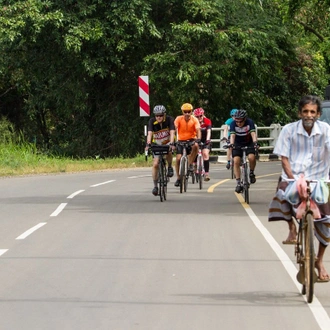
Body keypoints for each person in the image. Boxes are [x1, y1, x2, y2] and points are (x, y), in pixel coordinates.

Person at [268, 95, 330, 281]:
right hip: (294, 175)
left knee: (327, 218)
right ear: (299, 113)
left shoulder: (326, 130)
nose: (308, 115)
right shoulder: (289, 130)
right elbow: (284, 158)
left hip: (320, 178)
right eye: (305, 111)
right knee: (283, 193)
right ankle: (292, 228)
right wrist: (293, 179)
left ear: (318, 114)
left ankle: (319, 260)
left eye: (312, 112)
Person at [146, 105, 175, 196]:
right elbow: (150, 133)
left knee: (169, 151)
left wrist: (172, 143)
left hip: (167, 143)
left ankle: (169, 166)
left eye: (161, 115)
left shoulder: (169, 120)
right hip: (157, 144)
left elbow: (172, 132)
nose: (159, 117)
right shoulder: (151, 121)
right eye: (157, 115)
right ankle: (155, 186)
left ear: (164, 115)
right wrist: (148, 143)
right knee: (155, 164)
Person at [229, 109, 258, 193]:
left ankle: (251, 173)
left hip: (249, 142)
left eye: (240, 122)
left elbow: (253, 134)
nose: (238, 123)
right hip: (237, 143)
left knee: (252, 157)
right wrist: (231, 144)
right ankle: (238, 183)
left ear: (244, 119)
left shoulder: (250, 122)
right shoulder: (232, 124)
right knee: (236, 161)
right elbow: (232, 136)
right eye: (237, 121)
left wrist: (255, 143)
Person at [174, 103, 201, 187]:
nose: (187, 113)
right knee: (178, 159)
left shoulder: (194, 119)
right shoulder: (178, 119)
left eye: (189, 111)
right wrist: (174, 140)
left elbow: (198, 130)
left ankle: (190, 164)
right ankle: (178, 178)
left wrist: (198, 139)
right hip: (180, 140)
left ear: (191, 112)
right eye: (185, 112)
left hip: (191, 139)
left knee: (196, 146)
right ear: (182, 112)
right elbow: (174, 129)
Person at [193, 107, 212, 181]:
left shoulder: (207, 121)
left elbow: (209, 131)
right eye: (197, 117)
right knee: (194, 149)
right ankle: (194, 164)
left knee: (205, 154)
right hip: (196, 139)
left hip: (205, 139)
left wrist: (207, 140)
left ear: (203, 115)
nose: (199, 118)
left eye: (200, 116)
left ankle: (206, 173)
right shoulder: (193, 122)